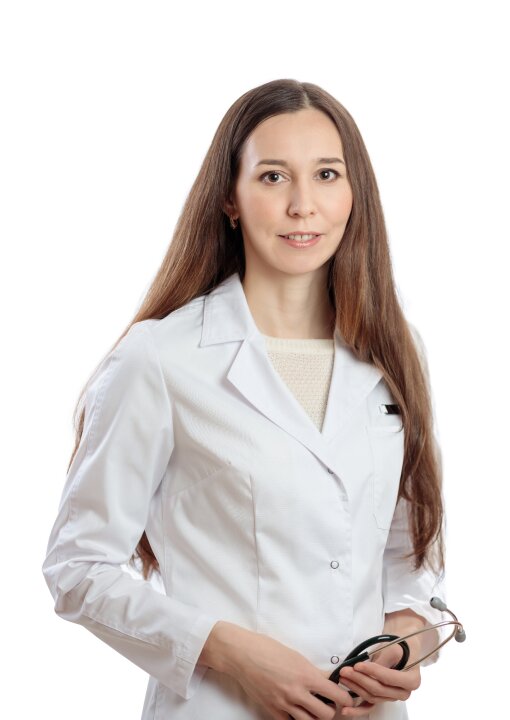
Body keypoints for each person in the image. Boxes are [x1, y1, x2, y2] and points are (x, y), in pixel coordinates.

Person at [42, 78, 446, 720]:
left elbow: (408, 552)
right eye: (273, 177)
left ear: (354, 194)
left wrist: (404, 640)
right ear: (230, 198)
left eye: (326, 175)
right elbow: (77, 567)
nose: (303, 206)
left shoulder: (395, 349)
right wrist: (231, 652)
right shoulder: (161, 358)